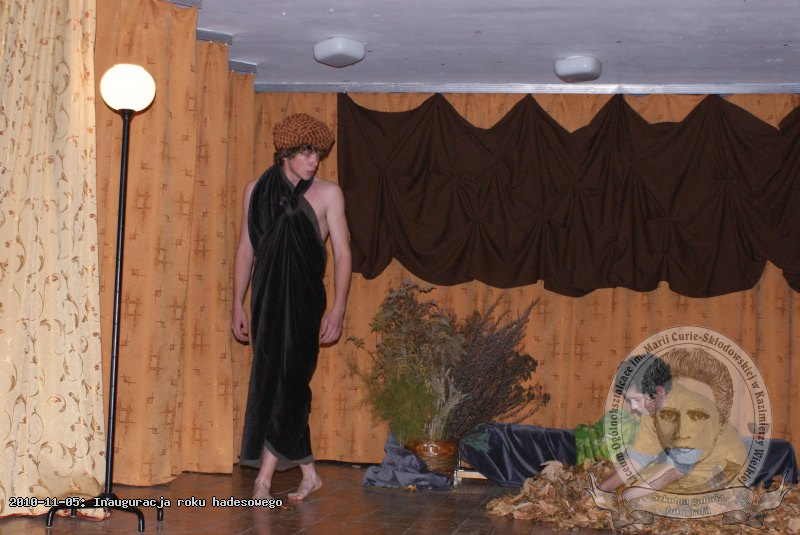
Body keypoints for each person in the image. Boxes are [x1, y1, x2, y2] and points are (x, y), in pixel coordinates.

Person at [231, 113, 352, 501]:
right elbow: (246, 250)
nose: (315, 161)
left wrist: (338, 308)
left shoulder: (329, 194)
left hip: (304, 301)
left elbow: (343, 254)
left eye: (318, 154)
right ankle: (309, 473)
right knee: (274, 381)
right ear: (285, 153)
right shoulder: (255, 190)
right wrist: (237, 304)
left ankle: (263, 480)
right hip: (266, 298)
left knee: (291, 381)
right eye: (307, 153)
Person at [600, 349, 746, 497]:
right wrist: (602, 489)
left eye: (636, 400)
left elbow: (679, 468)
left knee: (656, 498)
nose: (633, 407)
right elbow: (639, 457)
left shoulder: (694, 410)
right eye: (630, 400)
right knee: (633, 484)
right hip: (691, 467)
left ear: (659, 392)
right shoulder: (653, 408)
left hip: (722, 469)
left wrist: (629, 496)